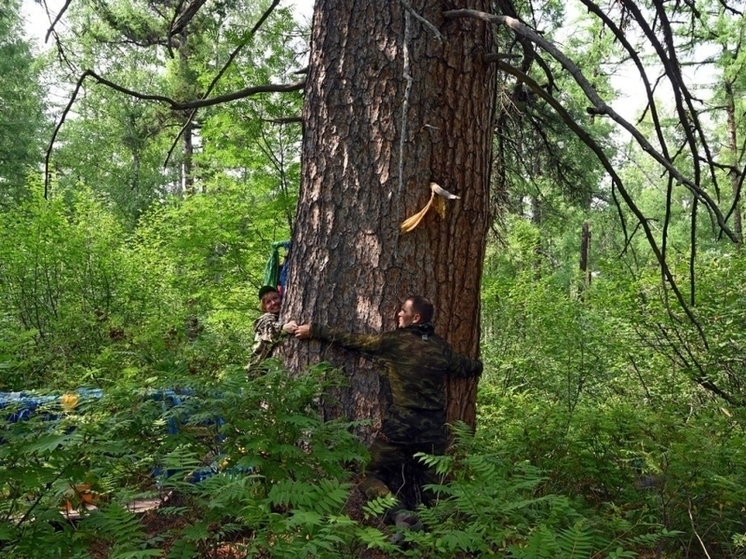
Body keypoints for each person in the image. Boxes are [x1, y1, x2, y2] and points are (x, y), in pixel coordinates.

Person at [293, 295, 482, 536]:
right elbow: (464, 366)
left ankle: (399, 514)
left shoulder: (394, 342)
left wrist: (317, 330)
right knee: (434, 489)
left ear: (416, 317)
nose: (398, 314)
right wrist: (479, 366)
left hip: (401, 428)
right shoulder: (440, 346)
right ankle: (441, 537)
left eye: (403, 311)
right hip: (433, 430)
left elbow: (355, 341)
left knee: (366, 474)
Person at [246, 285, 297, 370]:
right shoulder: (264, 318)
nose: (273, 303)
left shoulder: (281, 316)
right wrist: (283, 327)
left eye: (275, 298)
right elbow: (268, 329)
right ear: (264, 308)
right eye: (268, 302)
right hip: (258, 371)